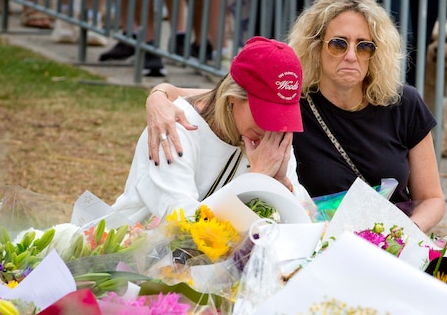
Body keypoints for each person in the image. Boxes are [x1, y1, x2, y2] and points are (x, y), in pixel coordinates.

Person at [145, 0, 446, 233]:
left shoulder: (404, 103)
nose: (351, 56)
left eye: (364, 46)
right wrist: (160, 96)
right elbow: (226, 94)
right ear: (316, 45)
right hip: (324, 240)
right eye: (339, 44)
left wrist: (404, 234)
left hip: (398, 238)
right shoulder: (288, 102)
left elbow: (432, 198)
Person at [105, 37, 306, 225]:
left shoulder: (274, 137)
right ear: (232, 96)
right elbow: (182, 224)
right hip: (132, 244)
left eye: (281, 115)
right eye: (265, 113)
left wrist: (281, 185)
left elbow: (304, 221)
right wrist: (255, 180)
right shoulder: (176, 129)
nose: (271, 127)